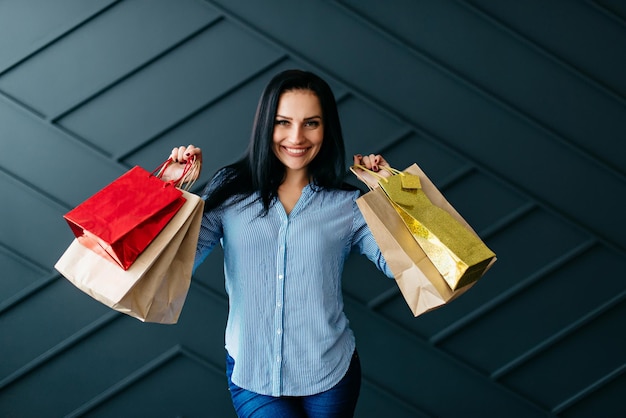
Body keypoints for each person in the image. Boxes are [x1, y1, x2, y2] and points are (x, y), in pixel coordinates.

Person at [161, 69, 394, 418]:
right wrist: (168, 188)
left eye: (311, 123)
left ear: (326, 128)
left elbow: (398, 265)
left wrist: (392, 195)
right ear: (266, 125)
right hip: (253, 374)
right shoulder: (230, 190)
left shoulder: (346, 204)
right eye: (283, 122)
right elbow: (179, 260)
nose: (296, 136)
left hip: (330, 372)